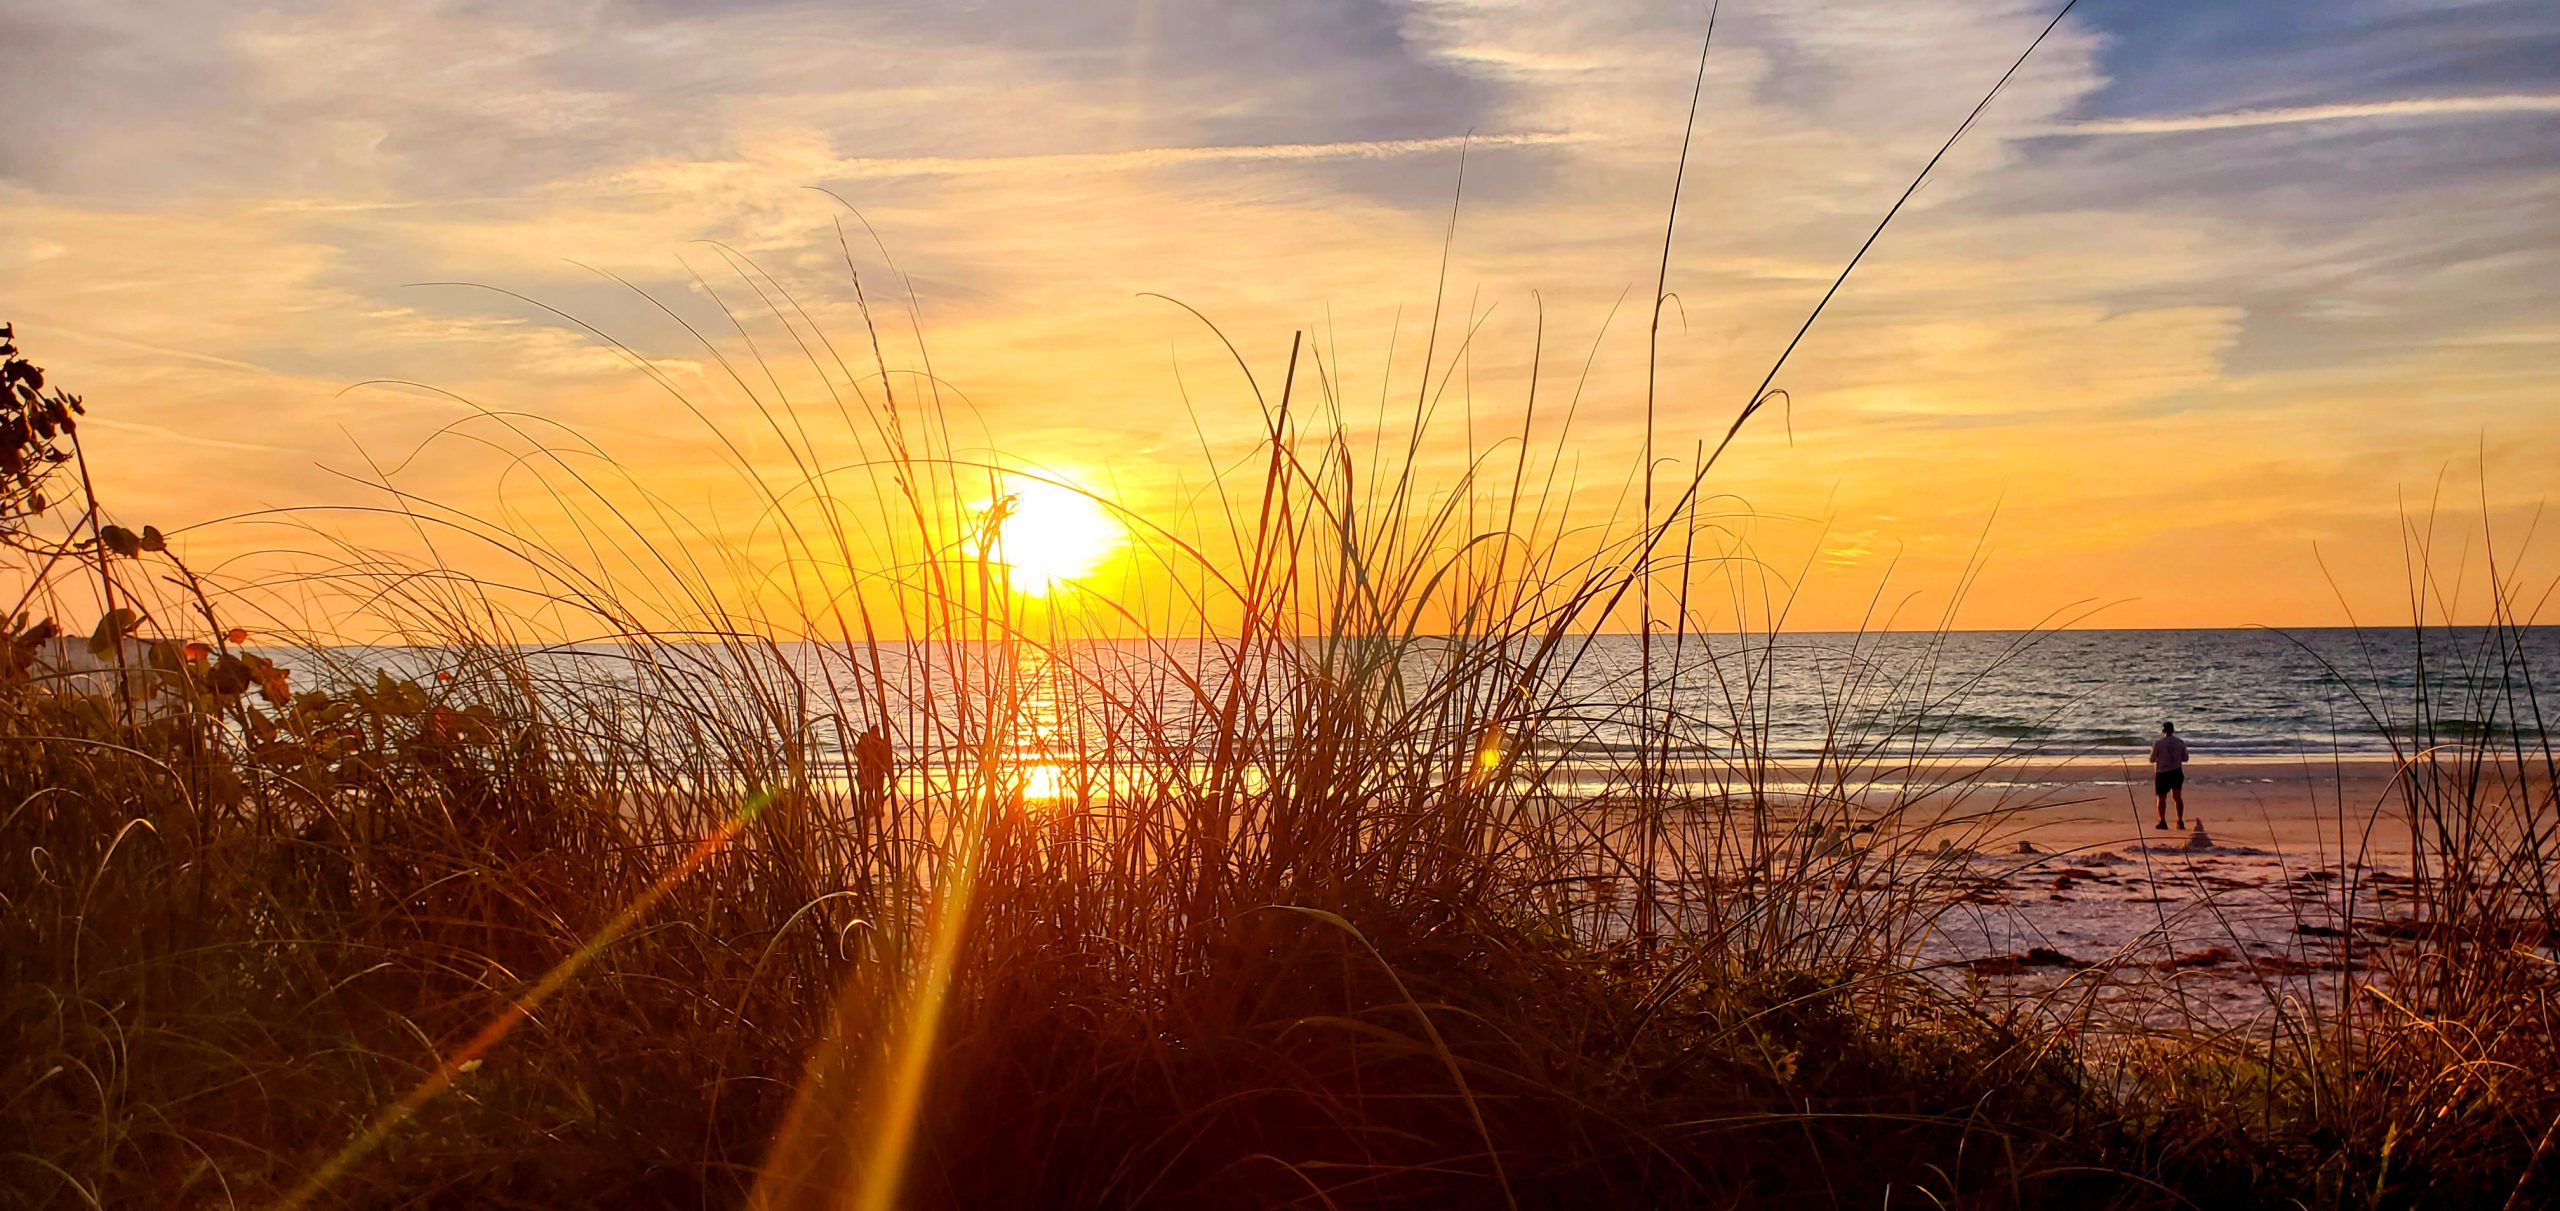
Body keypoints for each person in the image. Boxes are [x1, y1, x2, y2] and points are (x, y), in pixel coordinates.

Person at [2150, 721, 2189, 830]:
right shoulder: (2180, 742)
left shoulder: (2158, 743)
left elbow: (2152, 759)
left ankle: (2163, 821)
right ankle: (2180, 821)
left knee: (2161, 798)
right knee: (2177, 797)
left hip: (2162, 773)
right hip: (2176, 771)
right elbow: (2185, 758)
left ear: (2163, 730)